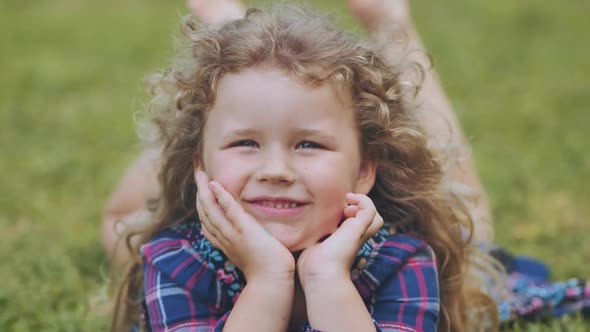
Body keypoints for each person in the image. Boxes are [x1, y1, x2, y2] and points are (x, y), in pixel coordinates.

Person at [110, 4, 497, 332]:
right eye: (245, 142)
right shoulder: (173, 262)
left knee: (469, 232)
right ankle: (231, 31)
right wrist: (267, 279)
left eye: (309, 144)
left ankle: (389, 21)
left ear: (364, 171)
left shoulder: (402, 259)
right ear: (201, 168)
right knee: (121, 225)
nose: (276, 170)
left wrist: (326, 278)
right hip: (196, 201)